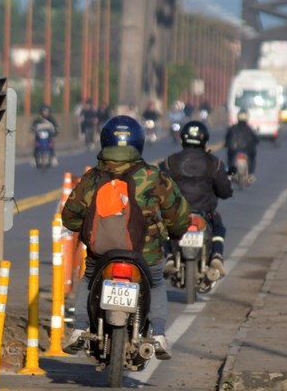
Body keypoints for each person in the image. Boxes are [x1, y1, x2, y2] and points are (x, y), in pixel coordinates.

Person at [61, 115, 191, 360]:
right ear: (139, 142)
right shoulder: (154, 176)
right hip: (146, 254)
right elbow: (178, 214)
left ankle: (79, 328)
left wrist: (87, 231)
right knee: (156, 282)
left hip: (102, 255)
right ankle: (160, 335)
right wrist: (174, 233)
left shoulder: (92, 178)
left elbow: (70, 217)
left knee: (89, 279)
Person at [159, 120, 232, 272]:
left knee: (164, 228)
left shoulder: (170, 162)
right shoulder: (214, 163)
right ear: (204, 139)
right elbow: (225, 191)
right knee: (218, 228)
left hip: (177, 213)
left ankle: (169, 257)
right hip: (205, 213)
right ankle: (217, 255)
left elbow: (159, 186)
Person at [225, 110, 260, 177]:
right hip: (246, 151)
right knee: (252, 156)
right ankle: (250, 172)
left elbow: (227, 138)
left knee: (230, 156)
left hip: (234, 150)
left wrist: (227, 144)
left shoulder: (233, 128)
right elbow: (256, 139)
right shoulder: (249, 129)